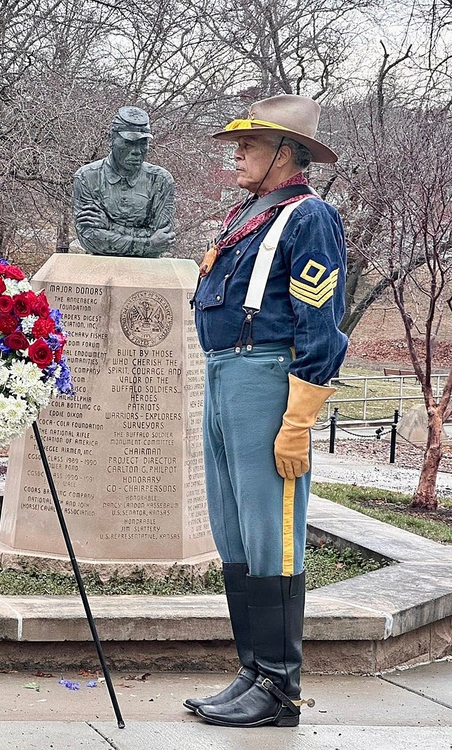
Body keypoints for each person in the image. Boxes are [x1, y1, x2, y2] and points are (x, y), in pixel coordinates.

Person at [186, 94, 348, 727]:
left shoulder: (309, 216)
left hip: (268, 378)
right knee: (234, 529)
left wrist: (299, 418)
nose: (238, 152)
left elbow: (322, 326)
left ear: (288, 153)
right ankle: (252, 668)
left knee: (271, 531)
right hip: (225, 373)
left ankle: (281, 687)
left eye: (251, 144)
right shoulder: (250, 213)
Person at [72, 106, 175, 256]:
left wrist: (108, 226)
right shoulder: (87, 177)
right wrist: (148, 243)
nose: (137, 151)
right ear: (111, 139)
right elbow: (90, 238)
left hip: (146, 271)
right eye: (129, 142)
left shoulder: (161, 180)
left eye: (143, 143)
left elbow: (163, 241)